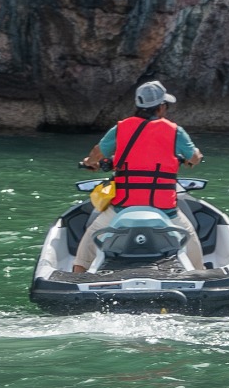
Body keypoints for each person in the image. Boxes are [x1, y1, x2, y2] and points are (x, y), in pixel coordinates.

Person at [73, 81, 206, 272]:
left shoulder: (120, 128)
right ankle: (199, 275)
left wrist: (89, 162)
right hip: (165, 210)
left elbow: (97, 152)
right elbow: (194, 157)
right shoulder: (174, 130)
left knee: (89, 240)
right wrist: (194, 159)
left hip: (122, 209)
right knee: (192, 244)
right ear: (160, 107)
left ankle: (78, 276)